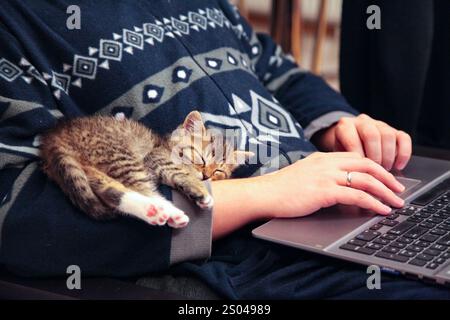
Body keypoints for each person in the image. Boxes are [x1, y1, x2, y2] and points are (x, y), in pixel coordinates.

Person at [0, 0, 448, 299]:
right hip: (264, 264)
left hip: (346, 197)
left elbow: (278, 71)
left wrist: (339, 124)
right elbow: (18, 219)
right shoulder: (15, 27)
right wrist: (265, 194)